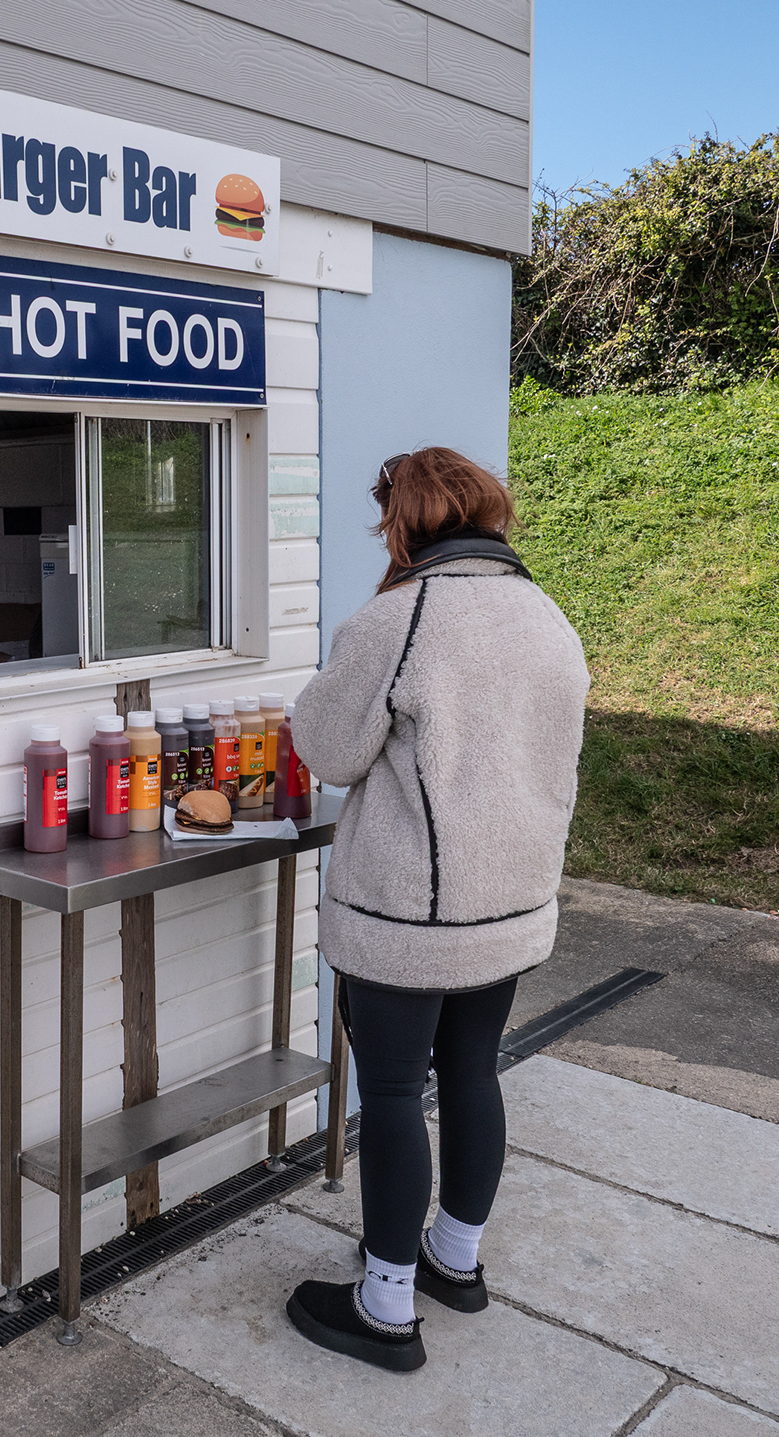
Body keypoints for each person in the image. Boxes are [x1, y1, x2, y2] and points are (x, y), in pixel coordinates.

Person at [285, 448, 589, 1373]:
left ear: (403, 522)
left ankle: (385, 1308)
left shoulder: (399, 617)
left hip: (408, 915)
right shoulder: (545, 613)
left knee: (389, 1094)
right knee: (470, 1074)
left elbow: (328, 749)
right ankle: (453, 1261)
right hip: (510, 901)